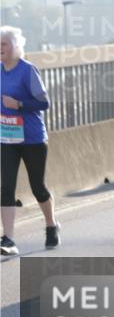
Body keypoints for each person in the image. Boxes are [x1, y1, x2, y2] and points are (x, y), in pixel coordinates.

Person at [1, 26, 58, 256]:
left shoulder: (27, 71)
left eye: (4, 44)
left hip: (33, 138)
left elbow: (44, 103)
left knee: (38, 187)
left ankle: (51, 225)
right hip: (7, 138)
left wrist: (20, 105)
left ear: (16, 47)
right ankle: (8, 239)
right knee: (6, 188)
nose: (0, 49)